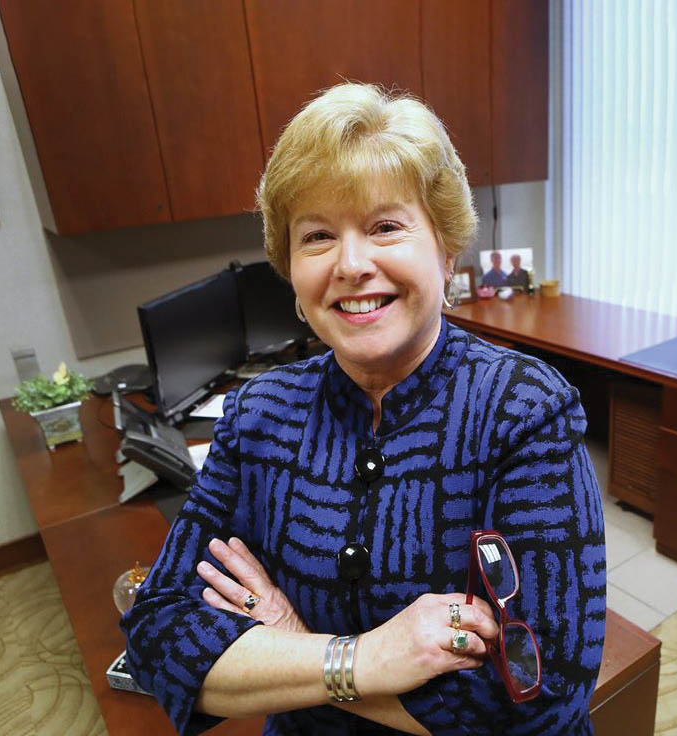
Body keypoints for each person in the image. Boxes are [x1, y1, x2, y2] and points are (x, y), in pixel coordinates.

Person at [121, 82, 606, 736]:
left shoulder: (523, 409)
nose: (351, 264)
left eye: (385, 226)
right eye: (318, 235)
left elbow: (538, 698)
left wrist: (287, 643)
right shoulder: (258, 415)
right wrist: (362, 659)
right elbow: (159, 634)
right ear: (291, 270)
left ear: (446, 248)